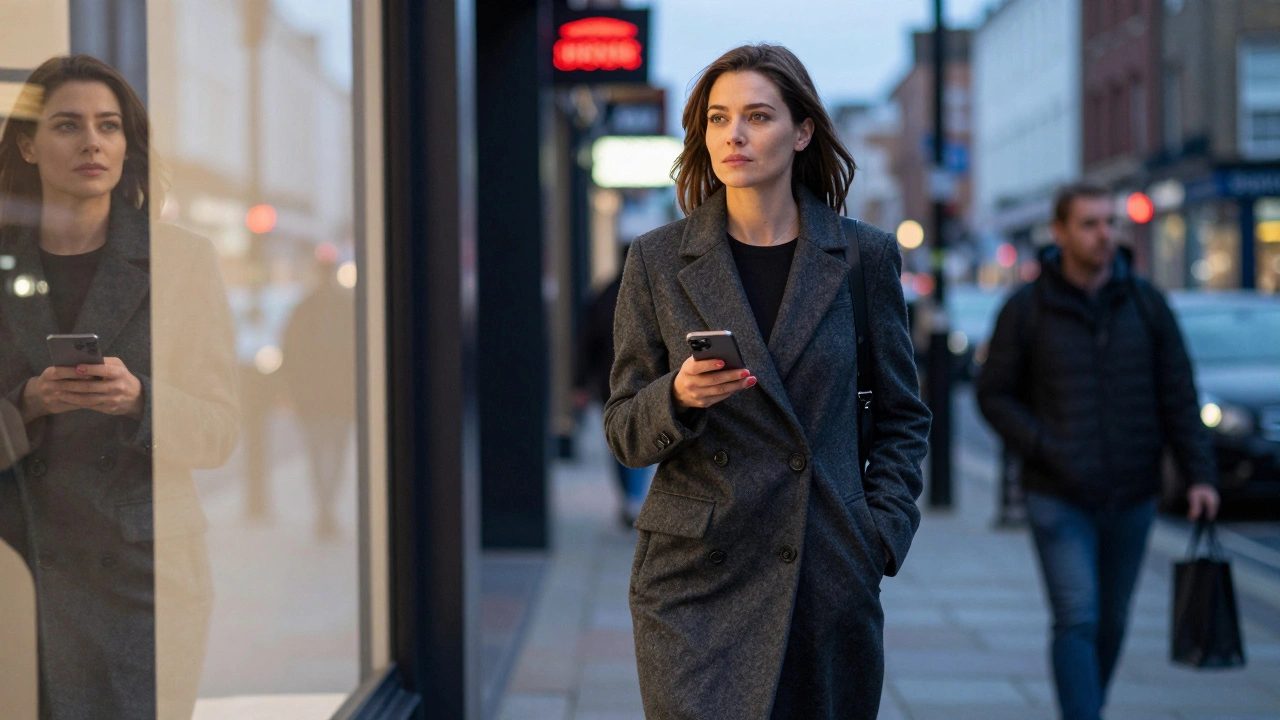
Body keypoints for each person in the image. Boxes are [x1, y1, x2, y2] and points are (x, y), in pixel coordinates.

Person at [604, 44, 931, 719]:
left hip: (824, 567)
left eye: (758, 116)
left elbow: (903, 415)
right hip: (695, 582)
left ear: (802, 129)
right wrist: (677, 397)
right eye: (720, 119)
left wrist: (879, 535)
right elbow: (622, 430)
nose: (736, 135)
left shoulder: (860, 257)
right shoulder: (659, 261)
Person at [0, 55, 239, 719]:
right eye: (68, 125)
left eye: (109, 126)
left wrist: (140, 399)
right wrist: (27, 405)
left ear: (127, 142)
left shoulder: (180, 260)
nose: (92, 143)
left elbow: (221, 431)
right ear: (28, 142)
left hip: (145, 581)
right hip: (19, 572)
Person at [977, 183, 1220, 720]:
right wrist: (1042, 445)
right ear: (1060, 232)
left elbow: (1178, 392)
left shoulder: (1146, 304)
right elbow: (993, 394)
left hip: (1133, 492)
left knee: (1111, 621)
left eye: (1110, 222)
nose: (1104, 234)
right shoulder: (1026, 309)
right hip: (1057, 492)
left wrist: (1200, 475)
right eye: (1089, 224)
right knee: (1077, 616)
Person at [573, 244, 651, 528]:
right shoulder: (648, 293)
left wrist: (580, 383)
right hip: (643, 381)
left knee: (620, 441)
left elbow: (584, 343)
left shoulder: (603, 294)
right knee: (641, 436)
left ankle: (630, 498)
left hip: (608, 383)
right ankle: (634, 497)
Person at [281, 249, 356, 540]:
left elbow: (290, 353)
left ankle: (324, 508)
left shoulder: (306, 308)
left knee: (320, 455)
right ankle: (326, 508)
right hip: (332, 398)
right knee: (332, 455)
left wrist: (291, 390)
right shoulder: (342, 307)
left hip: (316, 398)